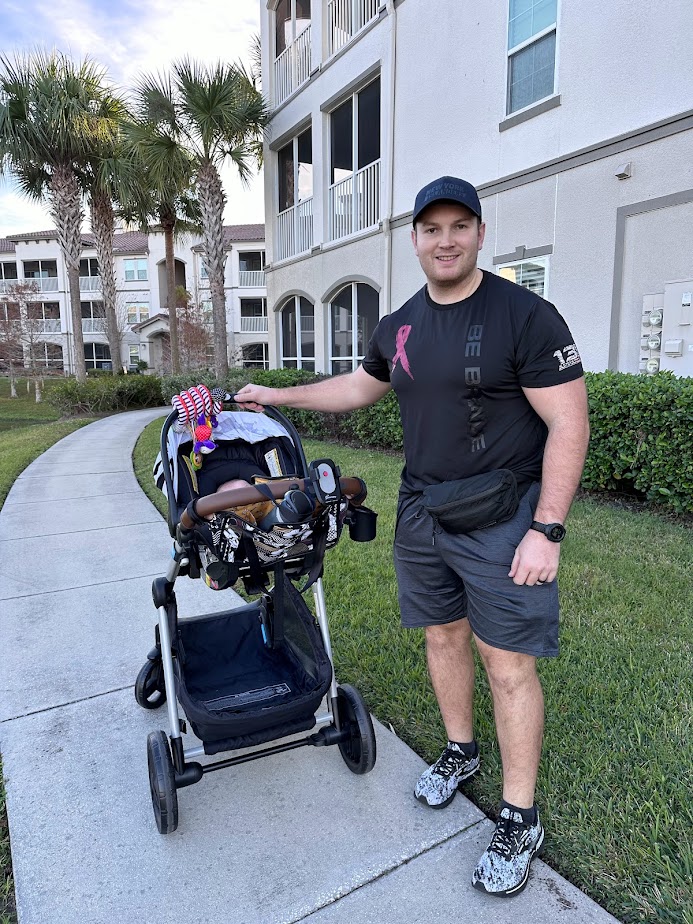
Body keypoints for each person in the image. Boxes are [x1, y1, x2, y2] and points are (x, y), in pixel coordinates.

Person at [234, 176, 590, 897]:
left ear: (480, 234)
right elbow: (359, 388)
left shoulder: (526, 315)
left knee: (507, 665)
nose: (446, 240)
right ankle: (460, 751)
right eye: (432, 229)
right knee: (441, 637)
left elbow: (568, 425)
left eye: (460, 226)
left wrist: (545, 530)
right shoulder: (399, 324)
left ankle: (519, 817)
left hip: (504, 515)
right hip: (424, 511)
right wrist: (275, 395)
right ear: (415, 239)